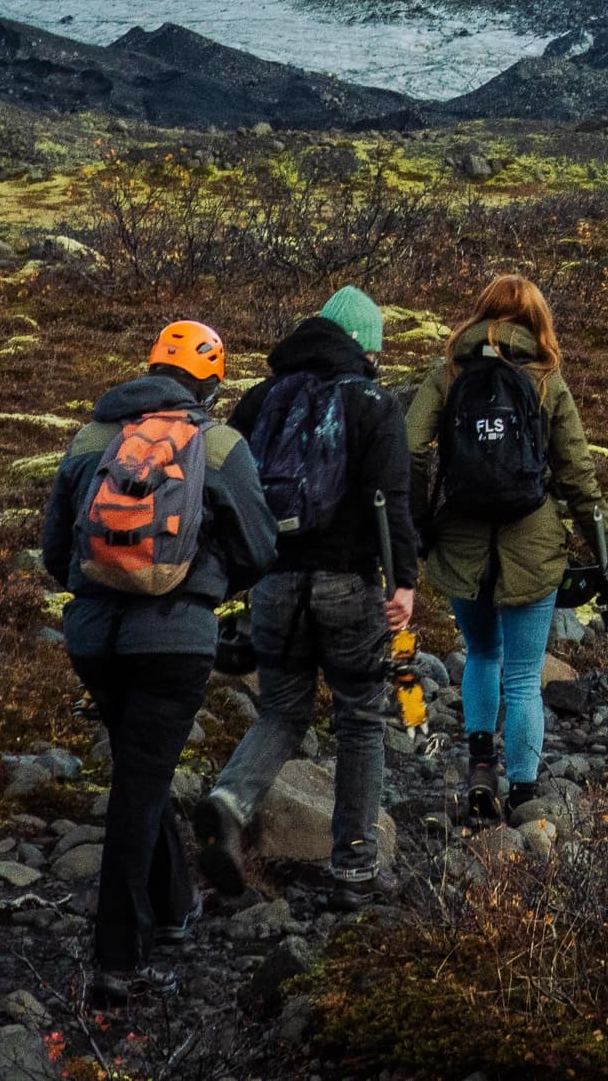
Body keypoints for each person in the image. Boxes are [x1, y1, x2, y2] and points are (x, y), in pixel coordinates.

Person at [38, 320, 276, 1010]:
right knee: (138, 789)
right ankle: (117, 962)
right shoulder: (220, 443)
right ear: (211, 383)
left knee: (140, 772)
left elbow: (56, 548)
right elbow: (261, 548)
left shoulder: (92, 436)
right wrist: (203, 587)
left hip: (92, 637)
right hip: (173, 640)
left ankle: (171, 905)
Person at [197, 284, 418, 895]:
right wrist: (403, 581)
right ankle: (354, 865)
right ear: (366, 347)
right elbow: (391, 499)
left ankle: (229, 800)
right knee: (361, 719)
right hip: (349, 583)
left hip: (274, 581)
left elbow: (226, 488)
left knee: (282, 711)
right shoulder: (373, 402)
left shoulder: (262, 397)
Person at [406, 273, 608, 821]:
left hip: (460, 539)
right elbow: (576, 472)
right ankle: (522, 792)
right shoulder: (546, 377)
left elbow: (411, 446)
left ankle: (480, 766)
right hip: (533, 540)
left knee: (481, 653)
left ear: (480, 313)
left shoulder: (449, 372)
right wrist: (604, 549)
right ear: (537, 321)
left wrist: (419, 521)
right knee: (523, 677)